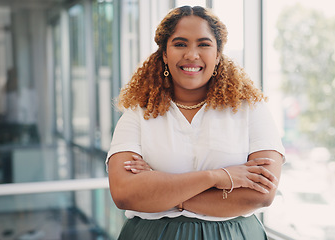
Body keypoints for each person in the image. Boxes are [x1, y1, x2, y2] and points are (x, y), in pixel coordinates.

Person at [106, 5, 285, 240]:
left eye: (204, 44)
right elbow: (124, 194)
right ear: (164, 54)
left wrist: (163, 191)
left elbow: (261, 195)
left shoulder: (251, 109)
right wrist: (219, 177)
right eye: (180, 44)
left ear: (218, 54)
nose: (191, 54)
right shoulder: (138, 113)